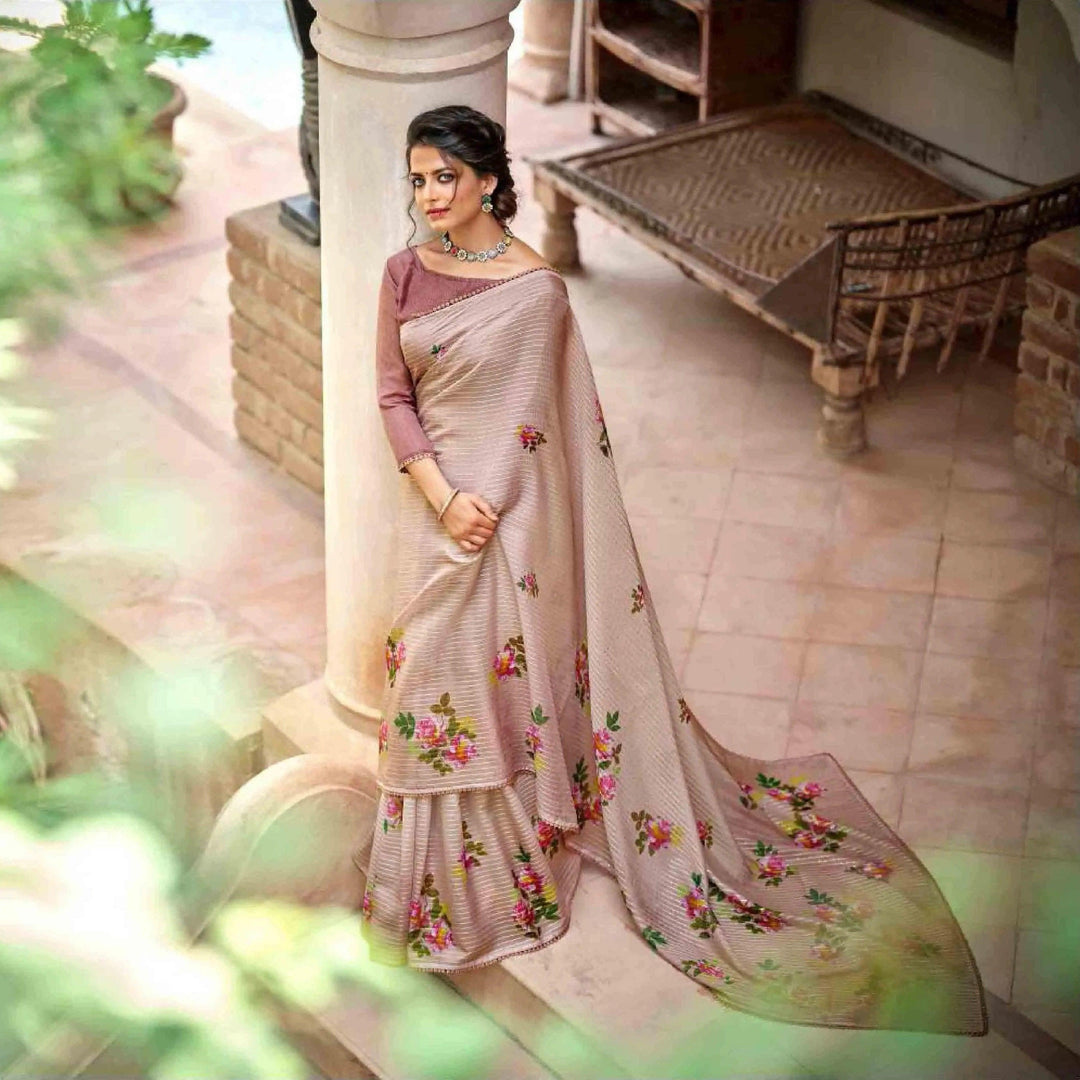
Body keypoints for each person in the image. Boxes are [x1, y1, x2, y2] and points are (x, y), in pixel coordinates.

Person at [363, 104, 986, 1036]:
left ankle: (502, 891)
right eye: (417, 180)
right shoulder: (403, 272)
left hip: (507, 525)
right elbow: (392, 391)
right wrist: (440, 491)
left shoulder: (535, 295)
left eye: (444, 178)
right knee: (426, 687)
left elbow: (540, 435)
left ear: (490, 180)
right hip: (437, 513)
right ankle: (426, 890)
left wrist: (482, 510)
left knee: (482, 691)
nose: (428, 196)